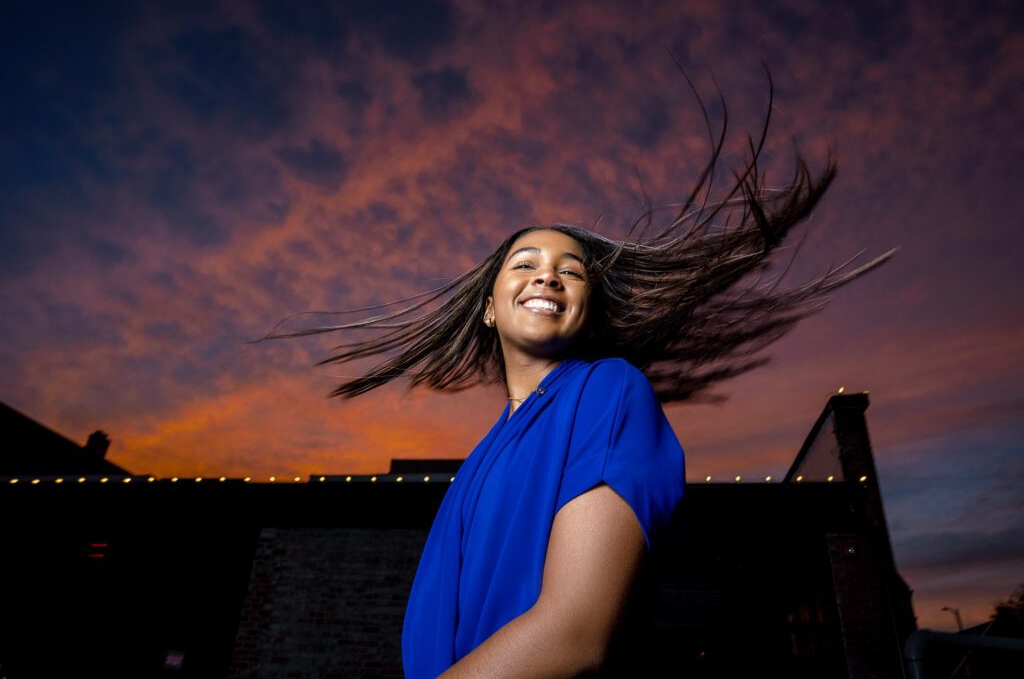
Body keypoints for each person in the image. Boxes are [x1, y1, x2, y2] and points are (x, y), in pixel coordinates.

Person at [265, 82, 892, 677]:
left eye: (571, 271)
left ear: (589, 313)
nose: (547, 276)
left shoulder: (608, 393)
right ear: (489, 307)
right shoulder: (481, 456)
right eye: (525, 263)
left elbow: (574, 634)